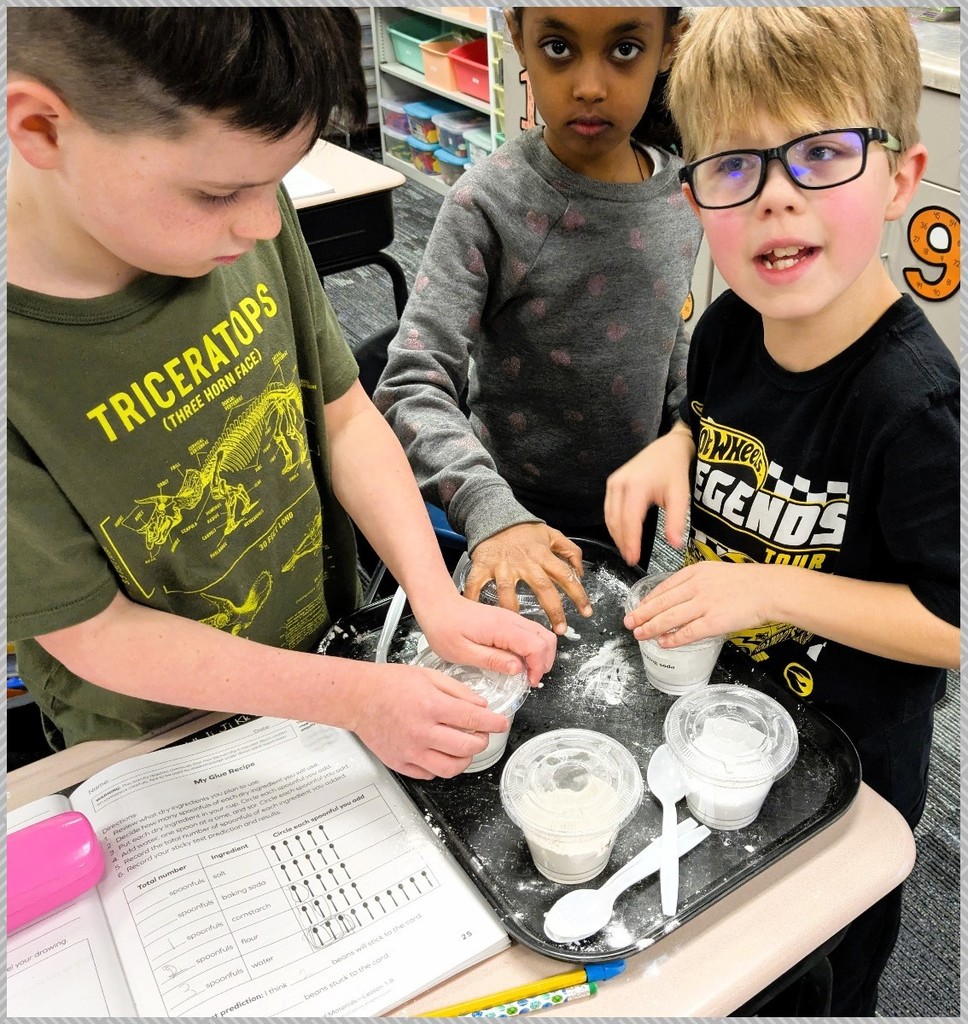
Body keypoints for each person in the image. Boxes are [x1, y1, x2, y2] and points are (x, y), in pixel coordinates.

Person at [6, 8, 557, 782]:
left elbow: (343, 414)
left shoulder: (249, 216)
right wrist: (354, 698)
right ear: (42, 128)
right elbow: (92, 631)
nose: (265, 223)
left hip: (328, 653)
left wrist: (433, 596)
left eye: (279, 183)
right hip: (155, 736)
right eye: (219, 193)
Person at [605, 7, 959, 1015]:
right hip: (735, 709)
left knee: (826, 961)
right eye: (731, 167)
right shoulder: (728, 326)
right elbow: (705, 416)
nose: (772, 200)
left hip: (851, 752)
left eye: (818, 155)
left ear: (896, 179)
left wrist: (765, 583)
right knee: (735, 950)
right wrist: (668, 447)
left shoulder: (908, 402)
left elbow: (949, 619)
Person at [373, 7, 702, 635]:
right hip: (509, 518)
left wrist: (692, 425)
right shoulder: (488, 203)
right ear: (515, 37)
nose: (588, 86)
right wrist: (489, 509)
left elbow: (664, 325)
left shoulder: (682, 189)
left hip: (627, 522)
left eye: (625, 50)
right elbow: (412, 380)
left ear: (669, 46)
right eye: (557, 48)